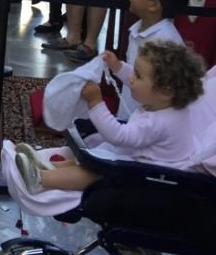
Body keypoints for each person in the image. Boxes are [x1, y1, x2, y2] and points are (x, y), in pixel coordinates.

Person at [15, 40, 204, 193]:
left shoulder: (157, 122)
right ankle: (48, 166)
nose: (131, 79)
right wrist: (118, 67)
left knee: (97, 172)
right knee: (98, 154)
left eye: (137, 76)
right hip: (150, 165)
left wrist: (95, 102)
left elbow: (118, 136)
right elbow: (143, 82)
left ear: (165, 92)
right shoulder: (168, 104)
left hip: (152, 180)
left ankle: (42, 179)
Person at [108, 0, 187, 117]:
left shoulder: (165, 43)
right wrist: (117, 67)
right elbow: (135, 74)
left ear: (154, 6)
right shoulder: (138, 28)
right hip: (131, 113)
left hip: (148, 122)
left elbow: (163, 91)